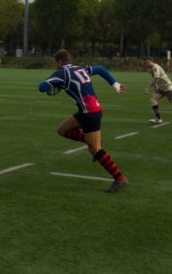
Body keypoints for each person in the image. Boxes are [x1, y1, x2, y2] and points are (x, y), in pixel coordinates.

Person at [39, 49, 129, 192]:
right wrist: (114, 84)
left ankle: (120, 178)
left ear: (59, 62)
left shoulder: (61, 72)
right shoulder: (80, 68)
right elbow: (100, 69)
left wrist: (51, 85)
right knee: (62, 130)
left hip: (90, 113)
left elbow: (41, 87)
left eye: (55, 63)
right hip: (87, 110)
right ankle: (90, 140)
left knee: (95, 150)